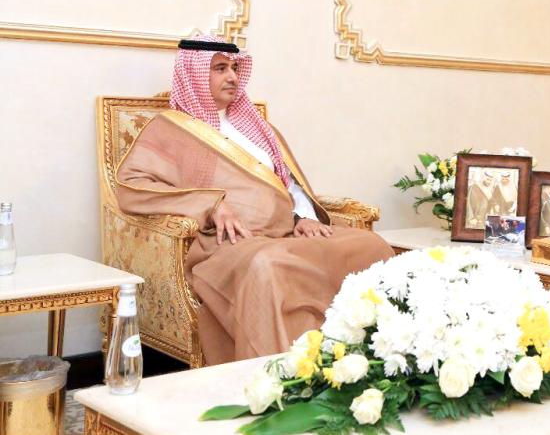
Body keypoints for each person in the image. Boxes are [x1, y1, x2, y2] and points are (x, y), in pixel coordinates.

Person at [115, 36, 395, 365]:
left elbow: (287, 181)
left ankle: (369, 362)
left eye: (235, 68)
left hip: (287, 232)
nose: (232, 77)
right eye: (220, 69)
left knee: (371, 246)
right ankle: (286, 371)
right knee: (269, 265)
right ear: (194, 74)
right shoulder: (169, 129)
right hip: (231, 242)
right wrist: (209, 205)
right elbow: (131, 187)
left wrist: (302, 217)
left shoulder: (257, 127)